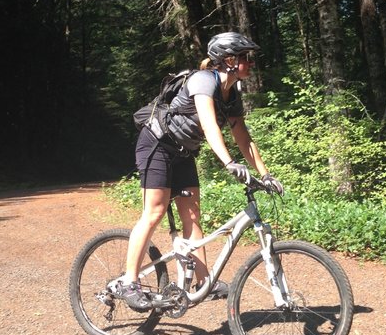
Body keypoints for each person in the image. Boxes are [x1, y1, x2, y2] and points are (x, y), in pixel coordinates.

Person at [112, 32, 284, 311]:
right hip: (156, 145)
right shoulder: (203, 80)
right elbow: (208, 125)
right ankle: (129, 282)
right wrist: (229, 163)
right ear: (229, 61)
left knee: (192, 217)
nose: (250, 63)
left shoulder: (231, 95)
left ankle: (204, 282)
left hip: (183, 153)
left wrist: (265, 174)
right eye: (245, 58)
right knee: (154, 212)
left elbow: (244, 137)